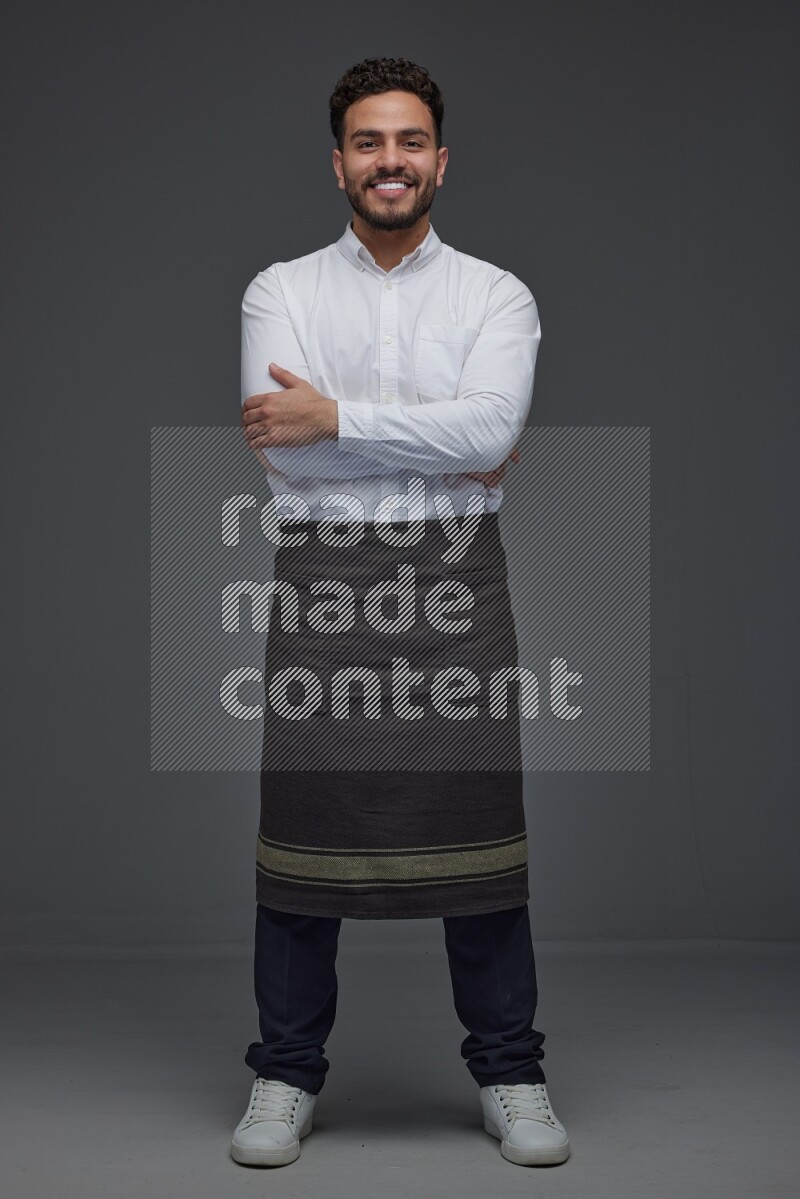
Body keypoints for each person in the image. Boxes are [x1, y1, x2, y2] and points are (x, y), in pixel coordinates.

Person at [231, 56, 569, 1169]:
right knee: (301, 853)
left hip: (456, 582)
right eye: (369, 143)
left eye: (409, 141)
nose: (390, 161)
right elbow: (295, 450)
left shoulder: (495, 293)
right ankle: (282, 1074)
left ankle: (511, 1071)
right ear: (338, 163)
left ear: (439, 159)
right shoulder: (277, 289)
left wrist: (337, 417)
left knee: (479, 856)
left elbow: (484, 437)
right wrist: (444, 430)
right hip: (322, 583)